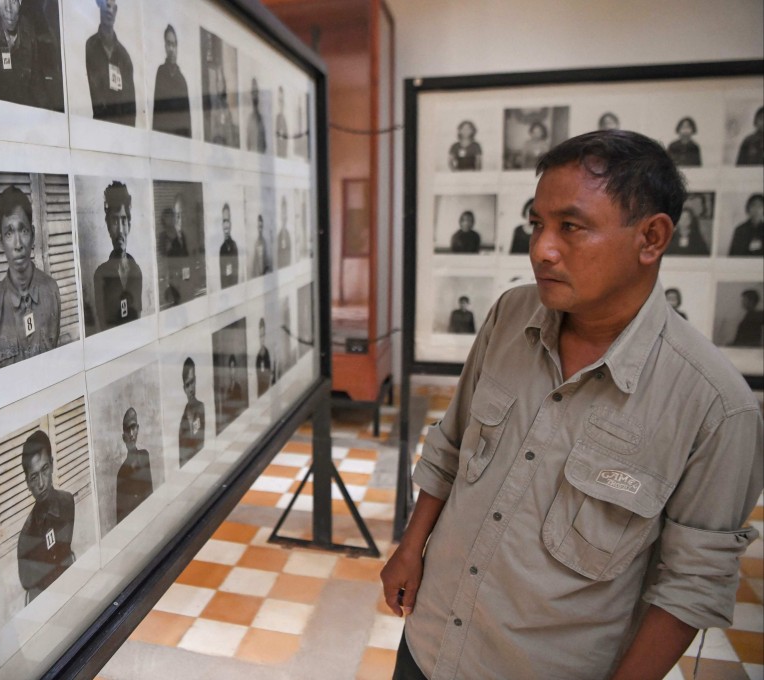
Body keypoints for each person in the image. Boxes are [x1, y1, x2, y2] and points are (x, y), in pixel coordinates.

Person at [382, 129, 762, 680]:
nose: (541, 248)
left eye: (571, 227)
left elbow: (691, 585)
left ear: (651, 238)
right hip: (432, 639)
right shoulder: (510, 316)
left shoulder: (716, 406)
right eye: (536, 223)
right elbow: (454, 440)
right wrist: (410, 546)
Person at [0, 186, 61, 370]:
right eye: (9, 233)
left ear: (33, 234)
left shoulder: (51, 291)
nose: (18, 245)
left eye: (23, 231)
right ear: (1, 240)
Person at [17, 431, 75, 603]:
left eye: (44, 469)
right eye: (34, 477)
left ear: (52, 465)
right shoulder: (26, 538)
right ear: (27, 483)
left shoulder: (67, 501)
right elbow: (30, 586)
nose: (41, 484)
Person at [0, 0, 59, 111]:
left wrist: (48, 111)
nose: (9, 8)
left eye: (14, 0)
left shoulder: (29, 30)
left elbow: (37, 79)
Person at [93, 181, 143, 329]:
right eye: (114, 221)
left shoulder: (136, 271)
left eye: (123, 220)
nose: (120, 230)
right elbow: (103, 326)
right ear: (108, 226)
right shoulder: (100, 274)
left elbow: (138, 322)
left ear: (129, 225)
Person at [85, 0, 136, 126]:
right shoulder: (90, 46)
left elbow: (130, 106)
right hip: (100, 128)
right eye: (106, 5)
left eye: (112, 6)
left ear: (116, 10)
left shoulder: (124, 57)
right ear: (99, 5)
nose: (109, 10)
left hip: (121, 132)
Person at [152, 24, 191, 138]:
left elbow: (187, 120)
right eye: (169, 44)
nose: (171, 49)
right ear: (165, 46)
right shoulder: (161, 73)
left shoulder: (182, 80)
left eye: (174, 44)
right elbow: (157, 112)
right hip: (163, 138)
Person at [116, 407, 153, 523]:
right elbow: (121, 515)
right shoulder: (121, 472)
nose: (131, 434)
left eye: (133, 428)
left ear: (138, 429)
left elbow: (150, 492)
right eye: (128, 430)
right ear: (123, 437)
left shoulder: (145, 456)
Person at [158, 195, 189, 308]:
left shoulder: (182, 236)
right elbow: (162, 258)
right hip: (170, 281)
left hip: (183, 282)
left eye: (181, 215)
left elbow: (186, 260)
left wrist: (186, 279)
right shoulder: (164, 237)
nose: (178, 219)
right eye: (177, 215)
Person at [178, 358, 206, 466]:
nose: (190, 389)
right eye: (187, 385)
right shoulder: (182, 421)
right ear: (184, 388)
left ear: (196, 380)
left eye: (192, 382)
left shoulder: (201, 408)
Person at [219, 203, 240, 289]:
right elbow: (222, 279)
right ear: (222, 225)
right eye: (224, 221)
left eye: (227, 221)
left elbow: (235, 276)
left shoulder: (234, 246)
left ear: (230, 223)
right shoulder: (221, 249)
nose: (226, 225)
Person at [246, 77, 267, 153]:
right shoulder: (249, 119)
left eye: (256, 93)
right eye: (253, 93)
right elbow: (248, 144)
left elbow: (264, 145)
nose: (255, 96)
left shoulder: (261, 119)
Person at [255, 318, 273, 396]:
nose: (261, 339)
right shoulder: (258, 357)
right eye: (260, 336)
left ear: (265, 335)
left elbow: (269, 377)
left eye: (263, 335)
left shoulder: (267, 354)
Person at [277, 195, 292, 269]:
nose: (284, 217)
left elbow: (289, 253)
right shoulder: (279, 236)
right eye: (283, 214)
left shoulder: (288, 234)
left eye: (285, 214)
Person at [275, 86, 289, 157]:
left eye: (282, 101)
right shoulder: (277, 119)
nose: (281, 104)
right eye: (280, 101)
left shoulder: (284, 120)